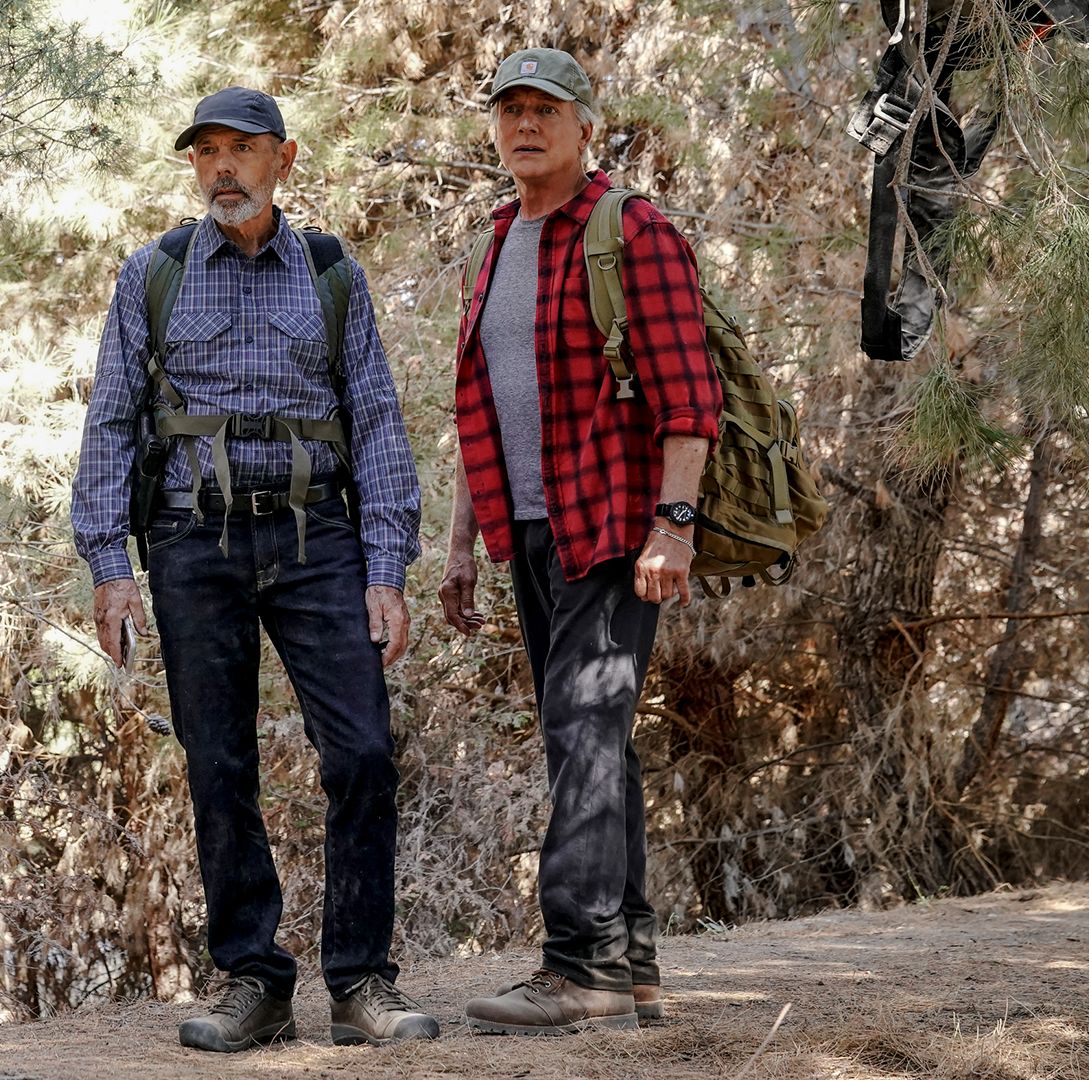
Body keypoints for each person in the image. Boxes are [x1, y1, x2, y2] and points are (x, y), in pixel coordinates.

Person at [71, 86, 437, 1052]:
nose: (223, 167)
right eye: (207, 153)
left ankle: (361, 981)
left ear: (285, 159)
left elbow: (378, 421)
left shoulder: (330, 273)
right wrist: (111, 566)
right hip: (193, 542)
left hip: (320, 540)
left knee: (360, 754)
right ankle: (255, 979)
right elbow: (111, 422)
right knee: (219, 763)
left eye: (242, 149)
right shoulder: (152, 275)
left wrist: (387, 567)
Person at [440, 49, 722, 1035]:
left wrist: (673, 525)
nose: (524, 125)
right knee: (592, 739)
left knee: (580, 731)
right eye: (510, 110)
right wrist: (461, 544)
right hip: (526, 530)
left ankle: (579, 964)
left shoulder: (629, 229)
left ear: (585, 126)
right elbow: (482, 403)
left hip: (613, 530)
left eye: (544, 110)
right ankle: (630, 964)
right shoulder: (497, 239)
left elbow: (692, 397)